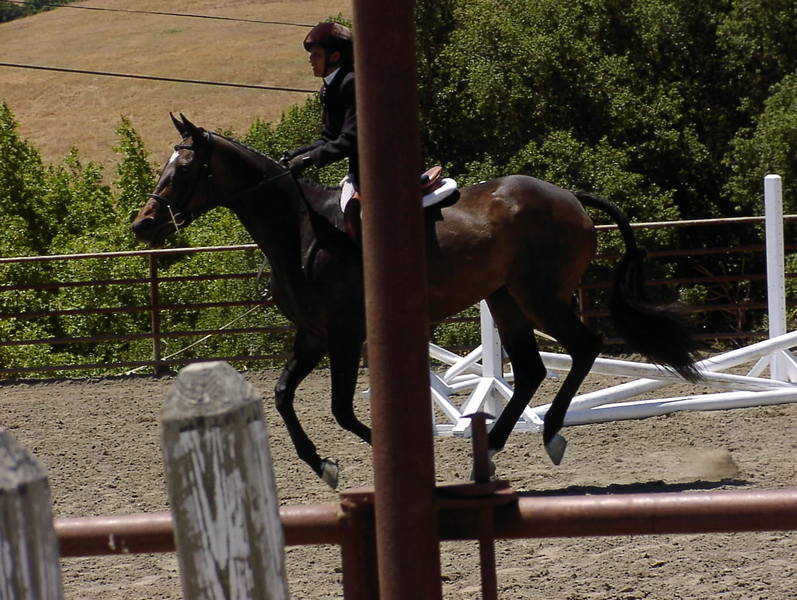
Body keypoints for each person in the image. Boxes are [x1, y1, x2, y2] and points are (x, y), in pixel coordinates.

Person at [283, 22, 358, 185]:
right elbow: (329, 137)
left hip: (382, 168)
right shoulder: (328, 89)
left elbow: (350, 140)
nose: (310, 60)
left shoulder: (352, 84)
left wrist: (308, 159)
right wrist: (297, 154)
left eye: (316, 55)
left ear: (335, 57)